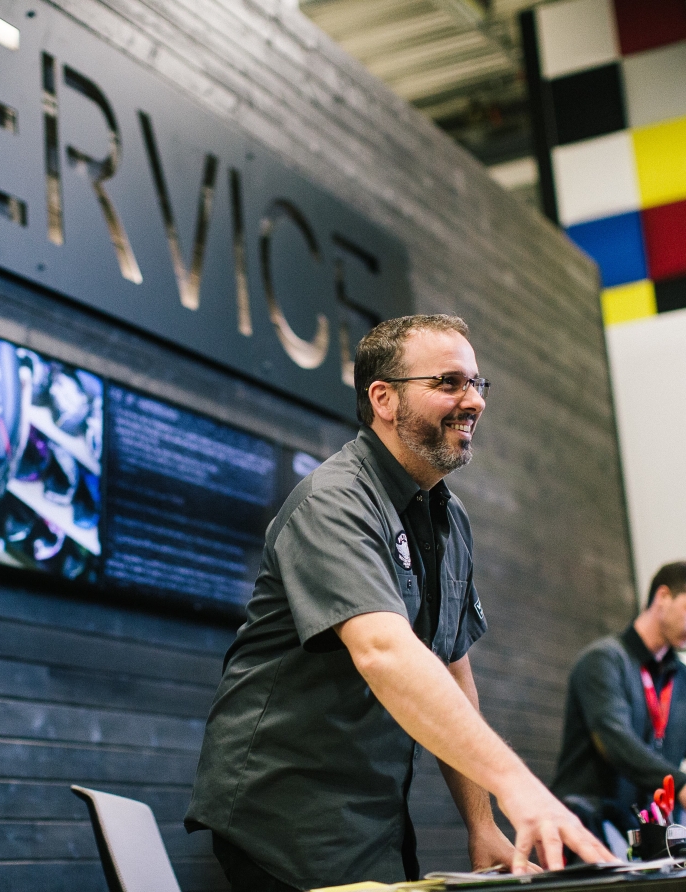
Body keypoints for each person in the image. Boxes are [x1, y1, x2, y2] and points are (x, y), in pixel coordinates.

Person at [185, 314, 611, 892]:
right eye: (449, 383)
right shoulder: (334, 501)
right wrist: (522, 789)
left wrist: (482, 823)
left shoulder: (448, 516)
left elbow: (453, 669)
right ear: (383, 399)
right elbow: (384, 651)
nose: (474, 401)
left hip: (374, 816)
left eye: (478, 384)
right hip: (284, 818)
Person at [551, 561, 686, 838]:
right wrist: (680, 786)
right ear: (663, 597)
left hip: (650, 839)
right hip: (588, 832)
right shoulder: (602, 661)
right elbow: (616, 742)